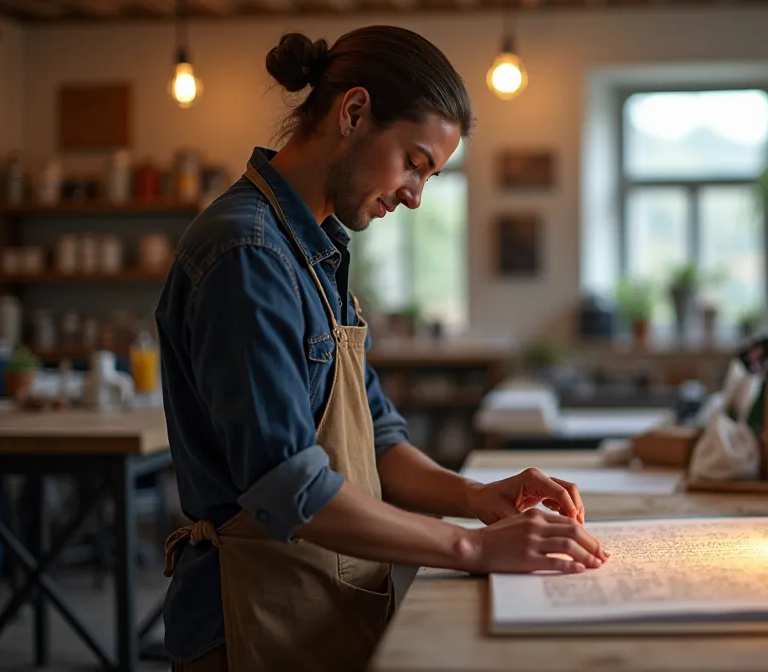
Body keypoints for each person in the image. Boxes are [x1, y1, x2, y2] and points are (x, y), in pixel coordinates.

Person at [157, 26, 608, 672]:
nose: (415, 196)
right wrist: (471, 548)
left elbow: (380, 440)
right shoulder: (247, 253)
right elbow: (290, 489)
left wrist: (476, 497)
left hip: (317, 605)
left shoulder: (316, 251)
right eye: (415, 163)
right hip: (247, 619)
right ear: (354, 112)